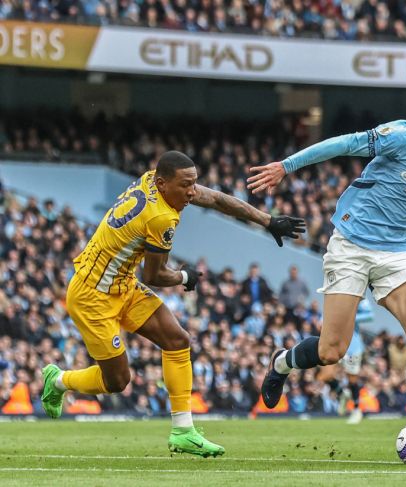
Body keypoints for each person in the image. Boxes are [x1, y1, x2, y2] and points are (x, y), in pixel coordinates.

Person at [40, 151, 305, 457]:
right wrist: (184, 276)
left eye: (194, 183)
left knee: (177, 340)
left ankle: (183, 431)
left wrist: (267, 220)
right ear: (163, 184)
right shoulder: (160, 217)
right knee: (117, 381)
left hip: (121, 284)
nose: (192, 191)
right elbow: (154, 275)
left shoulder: (154, 182)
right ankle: (58, 380)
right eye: (186, 185)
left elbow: (215, 199)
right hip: (92, 296)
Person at [248, 97, 406, 424]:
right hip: (352, 245)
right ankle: (282, 362)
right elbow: (346, 144)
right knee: (331, 352)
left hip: (398, 254)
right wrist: (287, 166)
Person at [339, 299, 374, 425]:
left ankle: (356, 410)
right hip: (334, 345)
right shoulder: (333, 295)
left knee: (352, 380)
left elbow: (370, 315)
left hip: (352, 347)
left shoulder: (359, 298)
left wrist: (350, 318)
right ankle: (342, 393)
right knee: (324, 374)